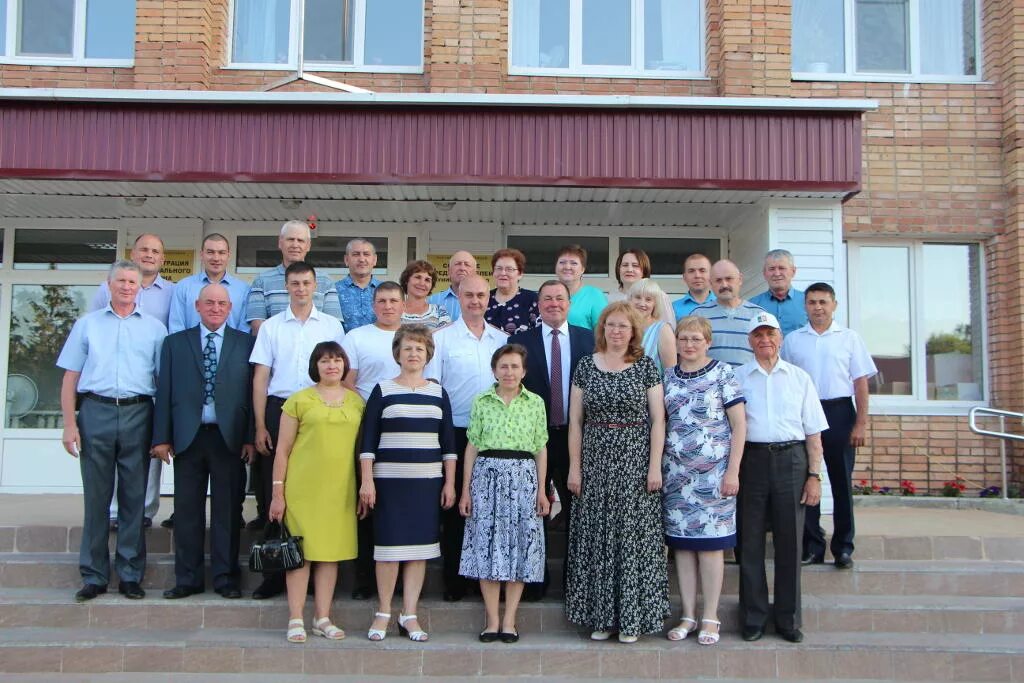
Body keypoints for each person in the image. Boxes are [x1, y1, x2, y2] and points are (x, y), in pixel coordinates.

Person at [58, 260, 166, 602]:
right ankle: (94, 575)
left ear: (139, 287)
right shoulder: (87, 325)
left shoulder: (154, 329)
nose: (126, 286)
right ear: (108, 285)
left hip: (139, 412)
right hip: (96, 411)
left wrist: (161, 431)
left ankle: (131, 575)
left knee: (134, 499)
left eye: (132, 282)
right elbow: (70, 378)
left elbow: (163, 384)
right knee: (97, 498)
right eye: (120, 281)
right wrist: (70, 424)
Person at [565, 301, 669, 643]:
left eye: (623, 326)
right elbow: (575, 423)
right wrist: (575, 468)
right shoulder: (585, 366)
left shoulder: (645, 367)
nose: (616, 331)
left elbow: (658, 421)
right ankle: (601, 619)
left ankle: (631, 619)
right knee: (598, 538)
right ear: (603, 329)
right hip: (594, 460)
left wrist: (654, 466)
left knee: (631, 539)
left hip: (635, 461)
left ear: (633, 331)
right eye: (611, 325)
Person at [249, 261, 346, 600]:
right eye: (295, 283)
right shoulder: (272, 327)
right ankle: (275, 572)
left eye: (307, 283)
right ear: (286, 286)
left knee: (321, 490)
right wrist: (260, 424)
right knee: (274, 491)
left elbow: (342, 372)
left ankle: (324, 573)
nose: (301, 288)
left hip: (323, 411)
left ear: (315, 286)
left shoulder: (333, 325)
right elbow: (261, 377)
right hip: (280, 408)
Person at [151, 283, 255, 601]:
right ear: (197, 306)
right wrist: (161, 438)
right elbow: (164, 391)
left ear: (230, 308)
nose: (215, 308)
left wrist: (250, 438)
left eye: (221, 303)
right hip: (188, 438)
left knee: (226, 512)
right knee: (187, 511)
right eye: (208, 303)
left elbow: (254, 396)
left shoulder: (246, 344)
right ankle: (188, 578)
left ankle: (225, 578)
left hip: (229, 439)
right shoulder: (174, 344)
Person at [359, 325, 457, 643]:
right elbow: (368, 442)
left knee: (418, 552)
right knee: (388, 550)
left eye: (419, 348)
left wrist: (450, 484)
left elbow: (449, 446)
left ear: (428, 354)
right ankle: (384, 611)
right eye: (407, 348)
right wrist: (367, 483)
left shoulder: (438, 393)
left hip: (427, 485)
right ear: (397, 354)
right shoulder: (383, 390)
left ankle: (409, 614)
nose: (413, 354)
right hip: (389, 485)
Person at [735, 311, 828, 644]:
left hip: (792, 461)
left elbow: (813, 432)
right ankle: (754, 618)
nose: (765, 341)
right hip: (751, 462)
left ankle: (789, 619)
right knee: (750, 543)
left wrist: (814, 475)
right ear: (750, 342)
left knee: (790, 543)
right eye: (758, 335)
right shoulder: (738, 378)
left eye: (770, 334)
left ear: (780, 338)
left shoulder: (800, 378)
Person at [268, 342, 365, 643]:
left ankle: (322, 617)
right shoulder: (298, 400)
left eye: (337, 360)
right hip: (303, 490)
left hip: (341, 491)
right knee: (302, 555)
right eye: (325, 361)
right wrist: (277, 492)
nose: (332, 365)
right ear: (316, 366)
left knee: (329, 555)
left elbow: (364, 451)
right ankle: (296, 617)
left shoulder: (356, 402)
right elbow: (282, 451)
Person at [662, 316, 746, 645]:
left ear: (707, 342)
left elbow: (739, 426)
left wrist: (733, 472)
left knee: (711, 549)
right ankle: (687, 614)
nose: (689, 344)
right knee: (683, 548)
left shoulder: (724, 373)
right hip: (677, 479)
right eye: (684, 338)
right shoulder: (667, 377)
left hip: (715, 478)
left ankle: (710, 616)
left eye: (696, 338)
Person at [509, 280, 594, 602]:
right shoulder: (520, 342)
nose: (554, 303)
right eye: (547, 299)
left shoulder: (588, 340)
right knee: (535, 510)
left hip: (579, 439)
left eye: (560, 298)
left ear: (569, 304)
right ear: (538, 305)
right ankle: (535, 582)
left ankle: (575, 584)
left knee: (578, 512)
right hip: (534, 441)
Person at [782, 282, 877, 570]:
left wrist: (860, 423)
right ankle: (812, 545)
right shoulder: (793, 340)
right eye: (812, 302)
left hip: (839, 412)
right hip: (805, 414)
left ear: (834, 305)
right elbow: (786, 380)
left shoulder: (849, 338)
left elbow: (860, 383)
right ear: (805, 306)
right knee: (806, 480)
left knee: (840, 481)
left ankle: (843, 547)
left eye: (823, 302)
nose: (818, 307)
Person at [425, 275, 508, 602]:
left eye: (481, 295)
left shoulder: (501, 340)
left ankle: (484, 579)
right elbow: (434, 390)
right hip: (455, 432)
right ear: (458, 296)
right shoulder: (441, 339)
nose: (475, 301)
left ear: (489, 299)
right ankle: (454, 582)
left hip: (493, 437)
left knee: (488, 510)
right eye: (469, 295)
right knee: (455, 510)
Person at [459, 344, 549, 643]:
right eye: (503, 366)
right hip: (486, 479)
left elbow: (540, 448)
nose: (509, 372)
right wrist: (465, 490)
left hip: (523, 479)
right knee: (486, 547)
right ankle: (492, 620)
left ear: (524, 371)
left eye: (514, 367)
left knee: (520, 547)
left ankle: (510, 619)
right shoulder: (482, 401)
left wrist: (542, 490)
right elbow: (471, 446)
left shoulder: (534, 402)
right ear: (494, 370)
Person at [90, 233, 174, 530]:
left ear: (162, 259)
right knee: (115, 455)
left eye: (155, 251)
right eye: (144, 249)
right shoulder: (107, 289)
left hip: (150, 385)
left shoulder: (172, 293)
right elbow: (96, 329)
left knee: (150, 454)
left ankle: (145, 510)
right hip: (116, 382)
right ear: (133, 253)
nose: (149, 254)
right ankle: (114, 512)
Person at [341, 281, 405, 600]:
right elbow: (348, 382)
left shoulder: (414, 337)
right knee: (367, 504)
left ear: (403, 305)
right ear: (373, 305)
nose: (388, 306)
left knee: (399, 506)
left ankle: (403, 582)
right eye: (382, 300)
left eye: (394, 300)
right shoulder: (356, 337)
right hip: (366, 426)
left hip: (406, 431)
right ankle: (364, 579)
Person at [244, 220, 343, 334]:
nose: (295, 245)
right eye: (290, 239)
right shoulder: (262, 281)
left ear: (308, 246)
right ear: (280, 243)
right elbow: (257, 327)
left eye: (300, 240)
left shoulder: (325, 281)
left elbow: (333, 325)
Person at [168, 233, 250, 334]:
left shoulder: (244, 290)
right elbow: (176, 329)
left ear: (228, 255)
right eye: (210, 252)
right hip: (188, 349)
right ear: (202, 254)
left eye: (221, 253)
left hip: (233, 349)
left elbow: (244, 332)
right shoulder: (183, 287)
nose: (216, 258)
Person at [692, 259, 765, 367]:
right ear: (711, 284)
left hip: (747, 382)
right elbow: (690, 354)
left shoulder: (758, 315)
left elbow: (768, 355)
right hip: (710, 382)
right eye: (718, 280)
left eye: (729, 279)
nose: (724, 284)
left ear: (740, 279)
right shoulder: (699, 315)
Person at [607, 249, 675, 329]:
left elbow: (670, 329)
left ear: (644, 270)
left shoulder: (659, 296)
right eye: (625, 265)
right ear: (618, 269)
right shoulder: (609, 299)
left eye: (635, 265)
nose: (629, 269)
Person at [749, 249, 808, 336]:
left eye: (782, 268)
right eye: (772, 269)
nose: (777, 273)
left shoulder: (808, 302)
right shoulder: (752, 305)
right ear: (764, 273)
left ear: (793, 271)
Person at [485, 248, 539, 335]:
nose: (503, 273)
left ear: (520, 274)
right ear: (493, 272)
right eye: (499, 268)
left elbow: (539, 333)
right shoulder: (484, 298)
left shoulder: (532, 299)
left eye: (509, 269)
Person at [627, 278, 676, 374]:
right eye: (637, 297)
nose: (642, 303)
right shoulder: (622, 326)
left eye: (648, 299)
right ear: (630, 299)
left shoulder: (663, 330)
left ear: (655, 304)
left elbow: (670, 374)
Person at [556, 244, 607, 330]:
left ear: (583, 269)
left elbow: (603, 333)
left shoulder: (595, 296)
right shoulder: (547, 294)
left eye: (574, 263)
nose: (567, 267)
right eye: (562, 262)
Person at [336, 238, 382, 333]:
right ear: (346, 259)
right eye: (356, 254)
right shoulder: (334, 291)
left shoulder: (385, 290)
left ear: (374, 260)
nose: (361, 259)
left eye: (366, 254)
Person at [400, 260, 451, 329]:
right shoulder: (394, 309)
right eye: (418, 277)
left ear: (431, 285)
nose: (422, 283)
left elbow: (444, 337)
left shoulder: (440, 311)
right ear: (406, 280)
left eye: (427, 280)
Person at [429, 250, 477, 321]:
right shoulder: (431, 301)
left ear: (475, 273)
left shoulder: (487, 302)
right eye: (458, 264)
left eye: (467, 264)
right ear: (449, 271)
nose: (462, 268)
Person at [672, 253, 716, 320]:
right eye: (691, 271)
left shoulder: (723, 305)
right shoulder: (673, 309)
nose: (697, 275)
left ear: (711, 275)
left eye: (702, 270)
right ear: (684, 277)